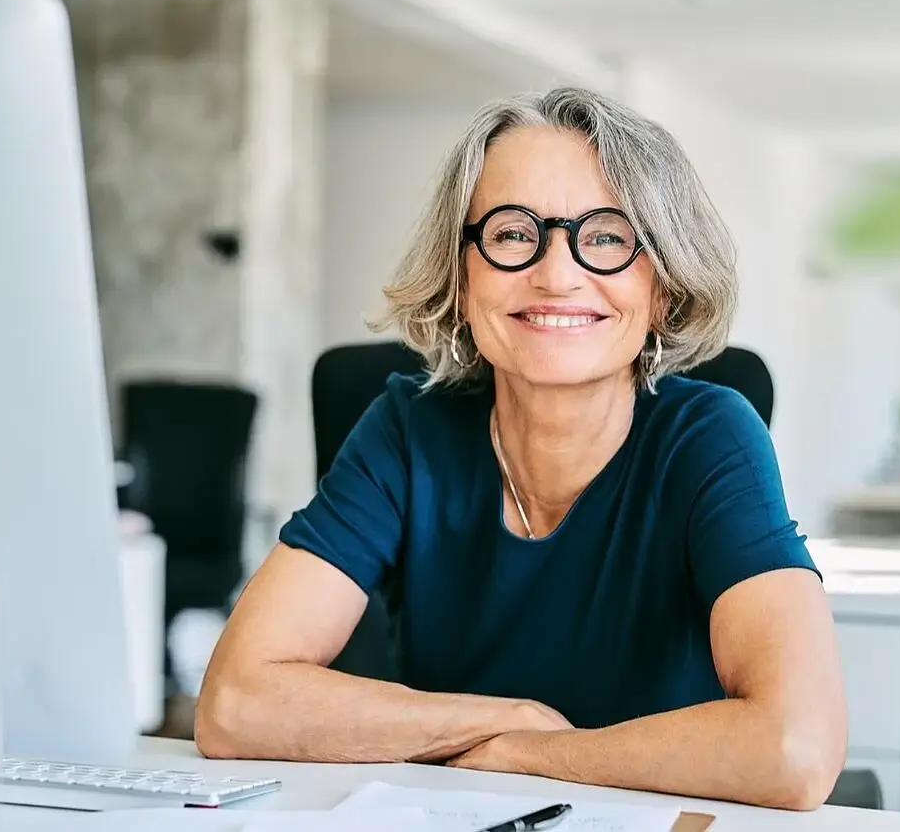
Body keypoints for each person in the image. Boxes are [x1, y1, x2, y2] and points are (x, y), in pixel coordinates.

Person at [195, 86, 847, 811]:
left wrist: (535, 754)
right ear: (462, 275)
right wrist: (502, 717)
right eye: (511, 234)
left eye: (605, 236)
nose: (556, 273)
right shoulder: (406, 428)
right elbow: (234, 700)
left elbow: (795, 747)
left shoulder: (708, 436)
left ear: (661, 287)